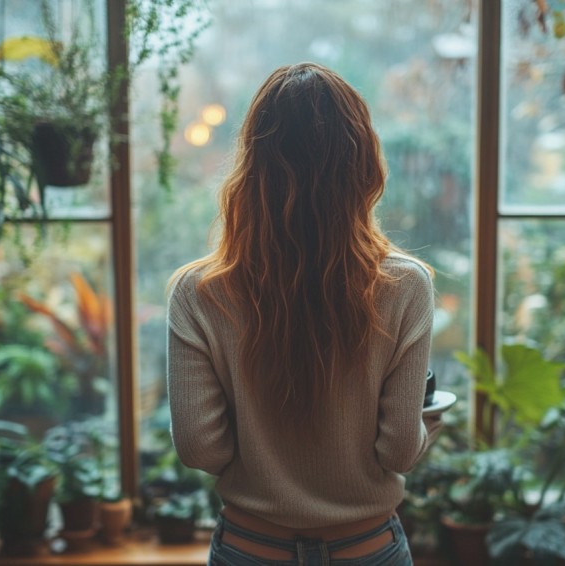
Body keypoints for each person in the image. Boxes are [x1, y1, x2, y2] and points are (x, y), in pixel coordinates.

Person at [167, 62, 443, 565]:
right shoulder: (406, 285)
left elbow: (200, 451)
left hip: (250, 550)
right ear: (363, 166)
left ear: (251, 169)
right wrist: (429, 423)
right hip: (367, 550)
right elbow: (400, 450)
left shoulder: (198, 292)